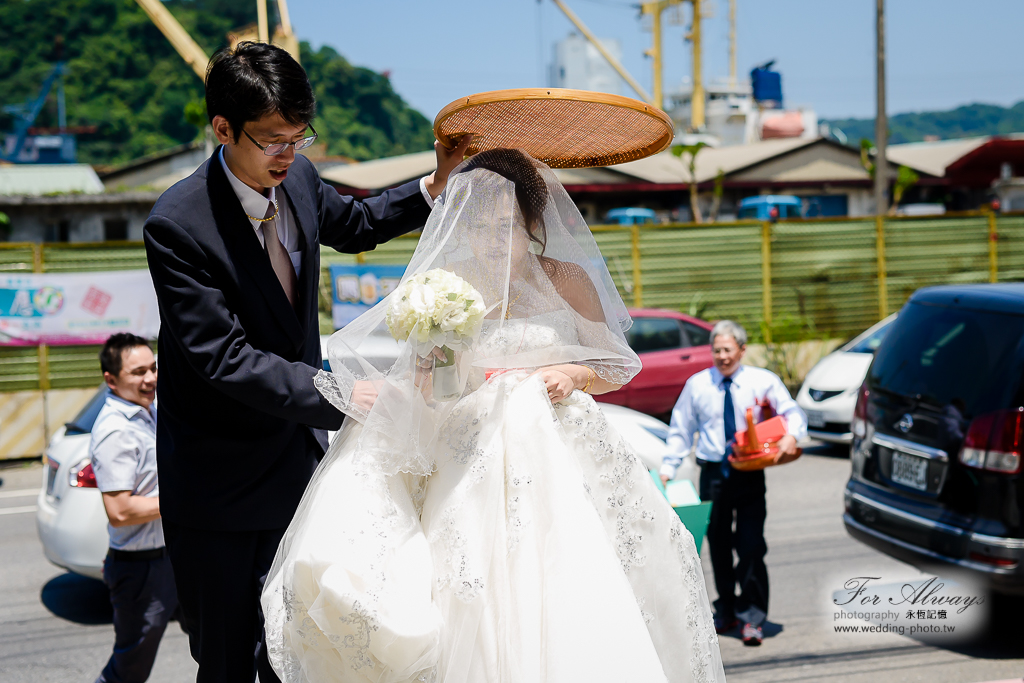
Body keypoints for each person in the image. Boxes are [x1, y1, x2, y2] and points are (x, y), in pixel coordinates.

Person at [262, 149, 727, 683]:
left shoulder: (566, 278)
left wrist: (574, 375)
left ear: (533, 221)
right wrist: (436, 369)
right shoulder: (444, 290)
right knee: (470, 585)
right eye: (479, 224)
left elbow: (616, 364)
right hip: (471, 457)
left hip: (559, 452)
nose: (491, 237)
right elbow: (428, 387)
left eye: (505, 224)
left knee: (570, 578)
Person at [142, 42, 471, 683]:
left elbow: (355, 223)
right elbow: (223, 357)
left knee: (303, 656)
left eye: (300, 137)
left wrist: (435, 185)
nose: (289, 154)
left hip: (303, 473)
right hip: (220, 493)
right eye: (271, 141)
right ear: (223, 129)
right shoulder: (178, 224)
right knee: (231, 663)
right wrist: (342, 393)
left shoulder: (298, 178)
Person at [660, 320, 806, 647]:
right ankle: (725, 608)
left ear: (742, 349)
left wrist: (792, 436)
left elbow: (792, 412)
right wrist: (669, 466)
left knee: (752, 545)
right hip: (713, 474)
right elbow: (681, 428)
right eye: (717, 350)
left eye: (728, 350)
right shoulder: (698, 385)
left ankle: (752, 615)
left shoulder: (762, 381)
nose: (722, 356)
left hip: (750, 471)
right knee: (720, 546)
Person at [90, 333, 175, 683]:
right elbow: (120, 510)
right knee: (129, 670)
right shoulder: (115, 431)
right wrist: (184, 501)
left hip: (170, 557)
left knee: (217, 639)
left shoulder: (148, 412)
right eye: (139, 372)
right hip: (142, 571)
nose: (151, 378)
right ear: (111, 380)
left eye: (153, 368)